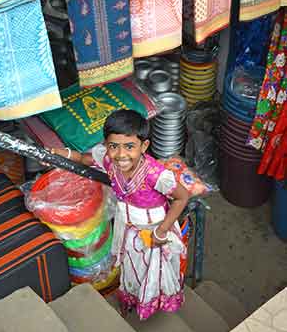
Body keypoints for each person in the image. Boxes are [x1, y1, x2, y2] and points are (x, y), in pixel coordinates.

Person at [51, 109, 190, 320]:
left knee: (154, 271)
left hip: (154, 230)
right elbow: (86, 159)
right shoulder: (108, 160)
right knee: (131, 266)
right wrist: (66, 155)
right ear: (106, 145)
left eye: (130, 147)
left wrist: (162, 231)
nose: (121, 154)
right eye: (113, 146)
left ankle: (149, 302)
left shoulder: (155, 174)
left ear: (144, 146)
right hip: (128, 226)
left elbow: (182, 197)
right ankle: (132, 298)